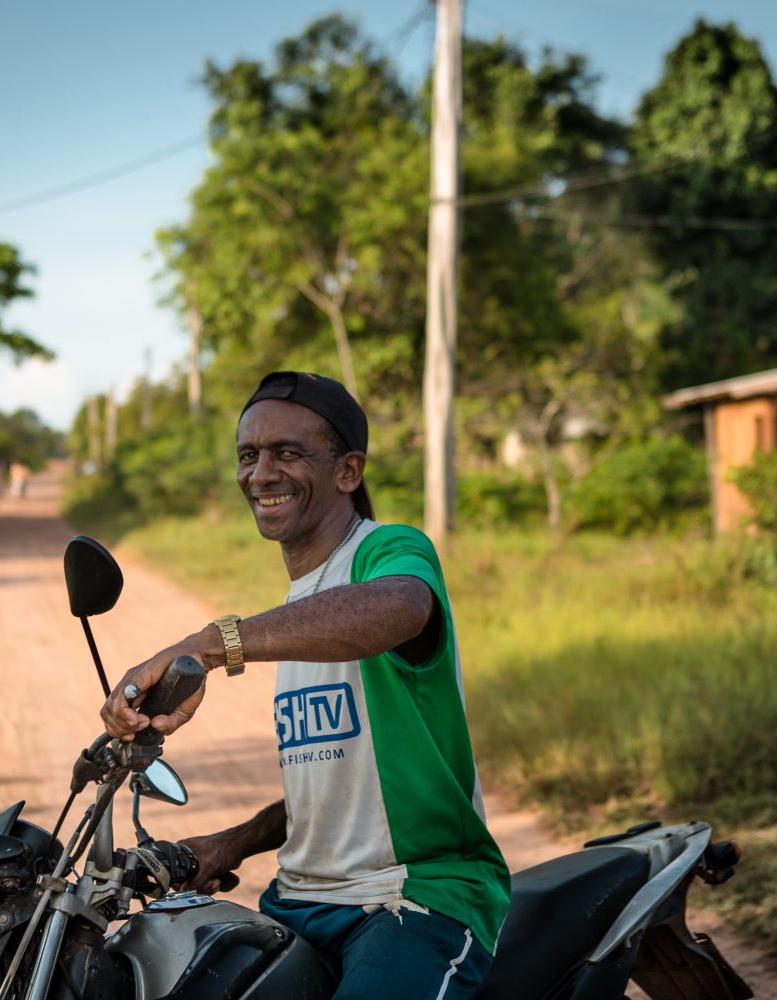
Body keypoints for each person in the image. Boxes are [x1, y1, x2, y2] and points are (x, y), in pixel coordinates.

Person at [102, 371, 510, 999]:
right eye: (248, 455)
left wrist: (211, 646)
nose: (260, 473)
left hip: (413, 899)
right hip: (300, 903)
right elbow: (340, 789)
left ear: (348, 472)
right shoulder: (300, 608)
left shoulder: (388, 552)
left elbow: (402, 607)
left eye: (287, 453)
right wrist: (232, 844)